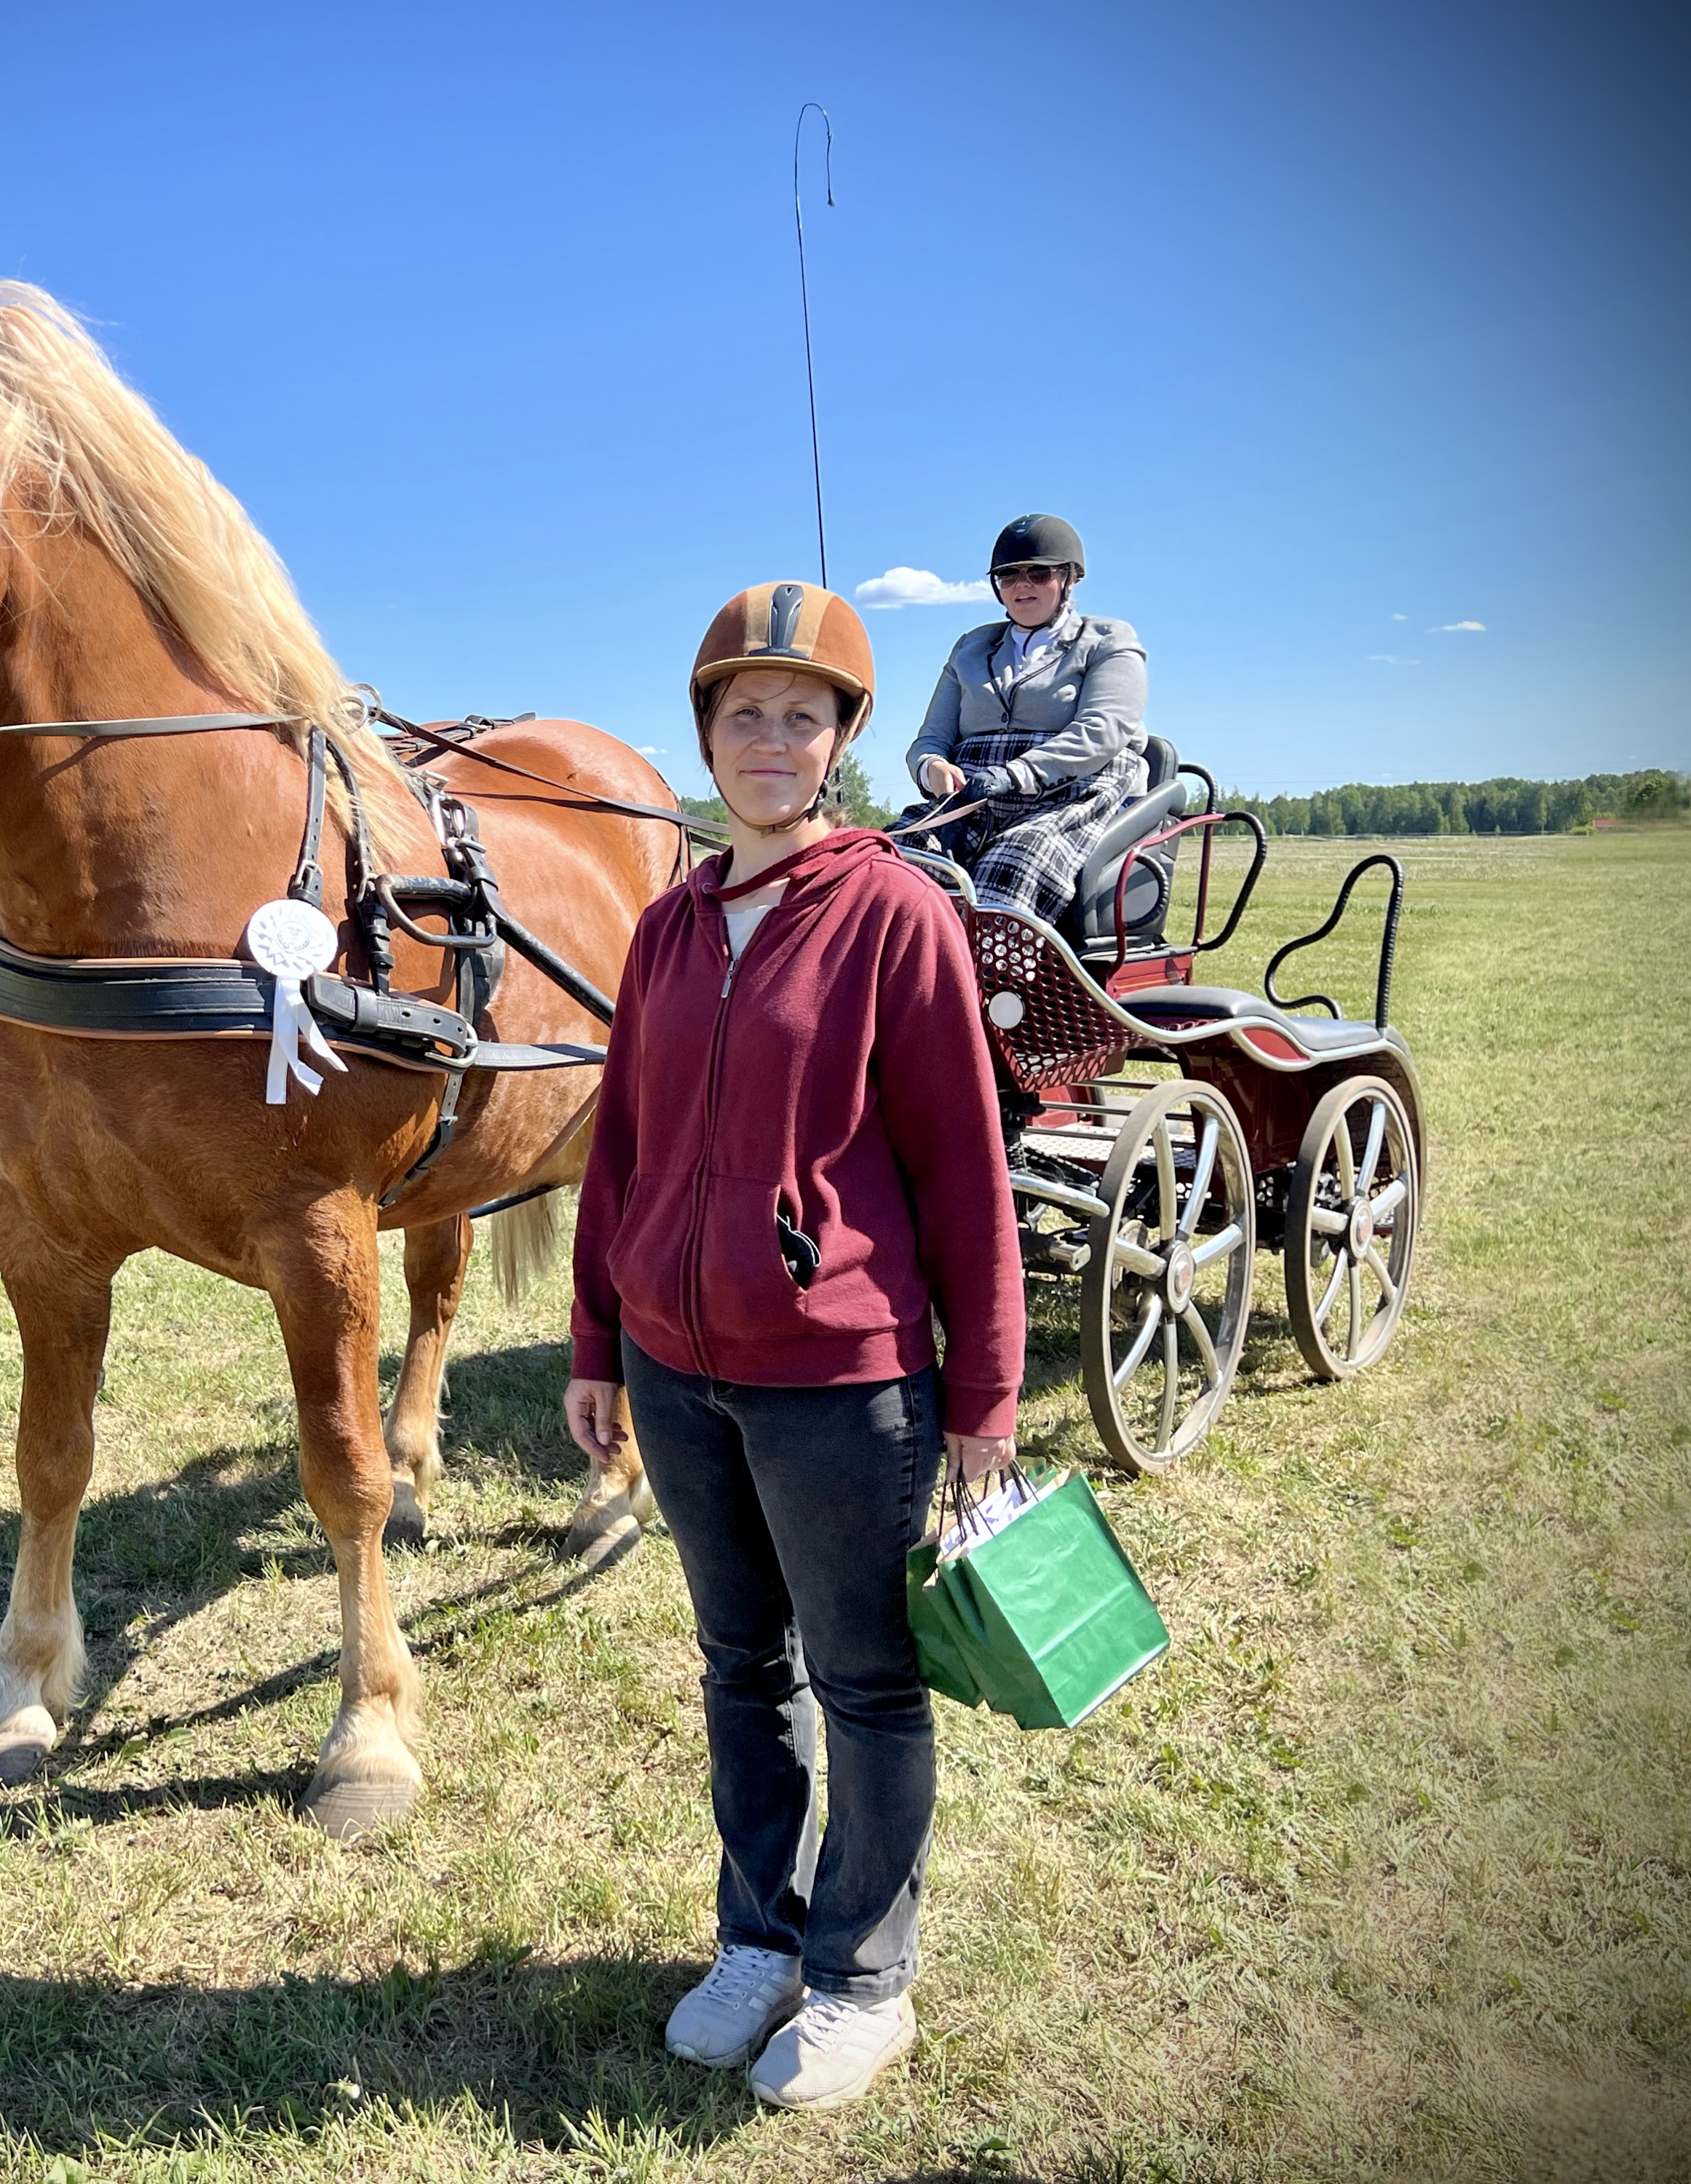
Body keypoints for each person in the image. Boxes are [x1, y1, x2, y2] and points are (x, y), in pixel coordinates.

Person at [564, 580, 1025, 2110]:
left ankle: (858, 1978)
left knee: (863, 1680)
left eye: (802, 716)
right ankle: (755, 1940)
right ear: (704, 733)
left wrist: (984, 1391)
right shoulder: (668, 928)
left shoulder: (893, 914)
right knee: (733, 1666)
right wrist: (592, 1341)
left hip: (840, 1380)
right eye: (742, 713)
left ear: (839, 743)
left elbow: (961, 1166)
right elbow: (617, 1147)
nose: (771, 738)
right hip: (675, 1370)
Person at [904, 514, 1149, 922]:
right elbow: (930, 738)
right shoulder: (971, 647)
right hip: (972, 798)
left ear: (1069, 578)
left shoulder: (1107, 640)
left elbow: (1103, 729)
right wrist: (932, 769)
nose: (1022, 584)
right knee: (891, 860)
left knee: (1012, 864)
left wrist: (1016, 775)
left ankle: (998, 980)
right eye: (1008, 575)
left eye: (1038, 573)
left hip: (1069, 794)